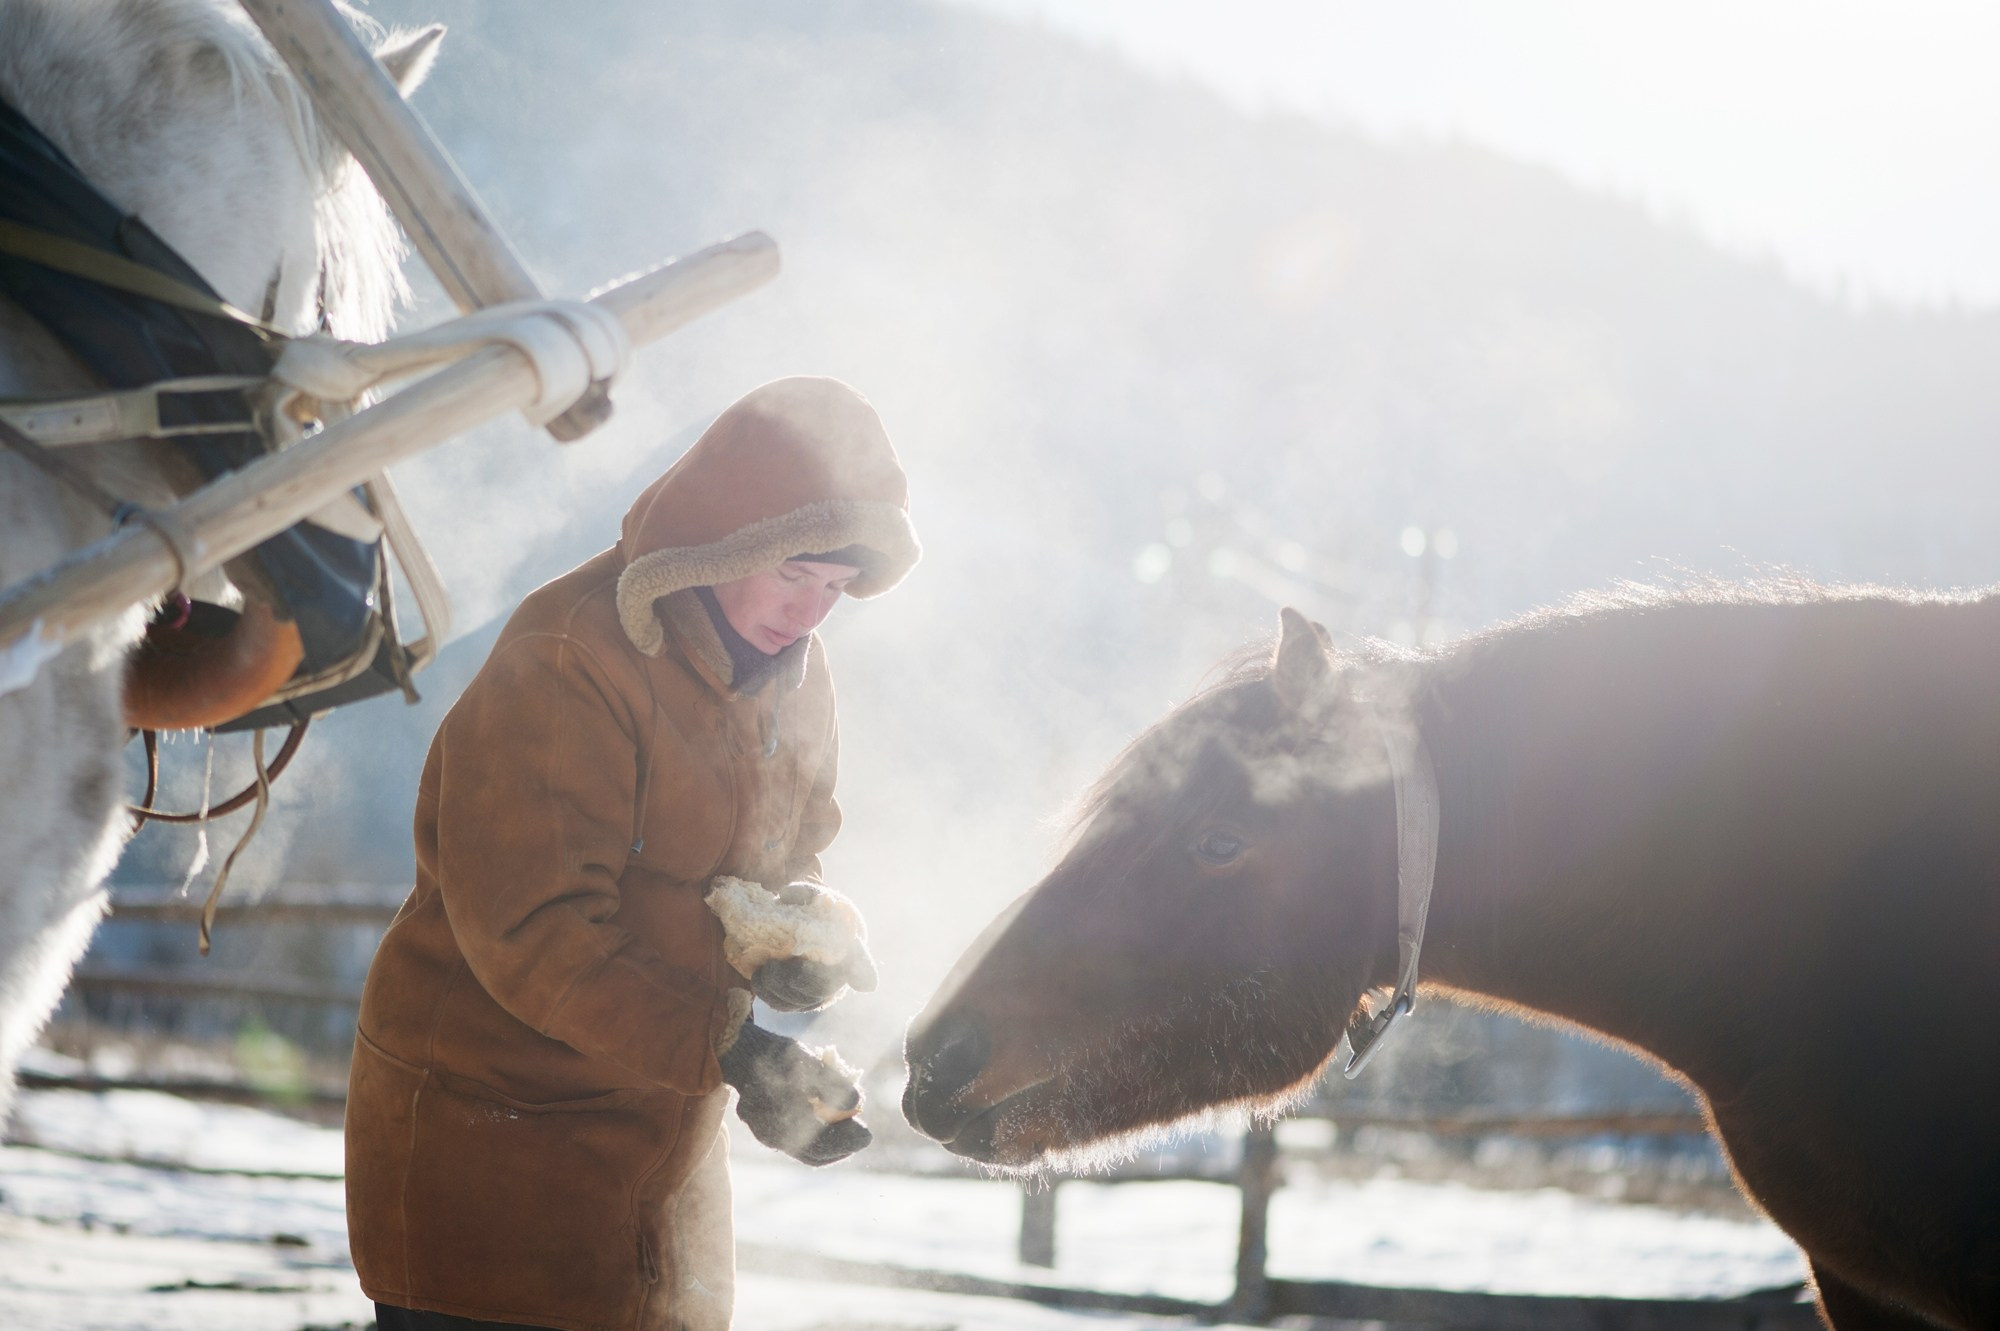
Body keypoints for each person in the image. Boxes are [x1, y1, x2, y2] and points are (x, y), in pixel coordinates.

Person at [344, 377, 920, 1331]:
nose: (811, 612)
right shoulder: (572, 658)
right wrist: (732, 1046)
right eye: (794, 576)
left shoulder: (795, 672)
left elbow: (792, 848)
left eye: (834, 588)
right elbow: (536, 932)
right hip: (493, 1147)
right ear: (730, 541)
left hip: (661, 1155)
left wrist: (792, 946)